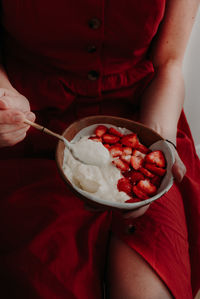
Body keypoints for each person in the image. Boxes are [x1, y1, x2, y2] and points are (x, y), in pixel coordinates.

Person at [0, 0, 199, 298]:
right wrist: (3, 96)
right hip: (31, 131)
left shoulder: (151, 144)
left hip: (144, 124)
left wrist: (159, 145)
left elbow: (168, 64)